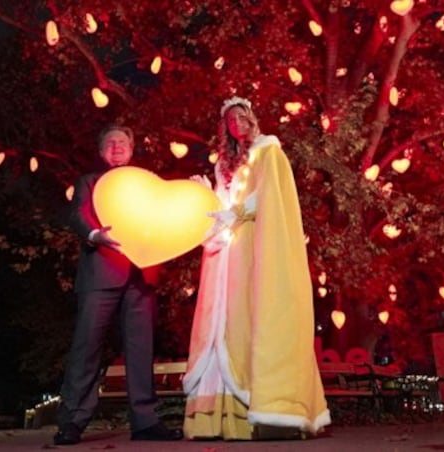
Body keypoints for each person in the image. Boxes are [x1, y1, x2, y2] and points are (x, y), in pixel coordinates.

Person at [182, 97, 330, 440]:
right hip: (225, 252)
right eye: (230, 119)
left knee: (251, 317)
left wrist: (237, 214)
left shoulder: (268, 150)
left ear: (251, 117)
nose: (237, 123)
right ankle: (215, 419)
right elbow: (222, 202)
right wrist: (206, 199)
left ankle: (265, 411)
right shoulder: (223, 165)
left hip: (253, 244)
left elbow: (270, 194)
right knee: (221, 322)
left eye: (241, 116)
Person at [53, 124, 183, 445]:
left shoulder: (146, 183)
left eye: (122, 142)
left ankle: (145, 421)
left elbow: (166, 218)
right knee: (87, 347)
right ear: (101, 152)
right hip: (100, 273)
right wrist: (95, 236)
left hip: (141, 277)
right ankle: (72, 420)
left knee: (141, 350)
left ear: (132, 149)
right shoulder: (89, 182)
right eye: (109, 143)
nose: (116, 147)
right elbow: (77, 215)